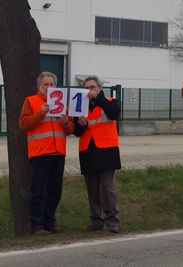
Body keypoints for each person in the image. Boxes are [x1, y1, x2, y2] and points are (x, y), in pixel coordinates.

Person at [19, 71, 74, 235]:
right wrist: (40, 114)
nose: (49, 87)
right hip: (40, 153)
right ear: (39, 86)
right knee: (37, 192)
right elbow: (23, 124)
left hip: (58, 152)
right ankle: (37, 226)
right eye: (46, 84)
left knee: (55, 191)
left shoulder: (63, 105)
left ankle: (50, 223)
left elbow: (70, 129)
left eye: (52, 84)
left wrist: (65, 123)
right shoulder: (31, 101)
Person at [73, 75, 121, 234]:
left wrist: (99, 99)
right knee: (92, 189)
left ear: (100, 88)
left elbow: (113, 113)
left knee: (107, 188)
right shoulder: (80, 106)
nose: (89, 91)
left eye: (92, 87)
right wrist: (81, 125)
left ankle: (112, 221)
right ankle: (96, 221)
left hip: (106, 150)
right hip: (88, 151)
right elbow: (77, 132)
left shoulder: (110, 102)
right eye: (86, 88)